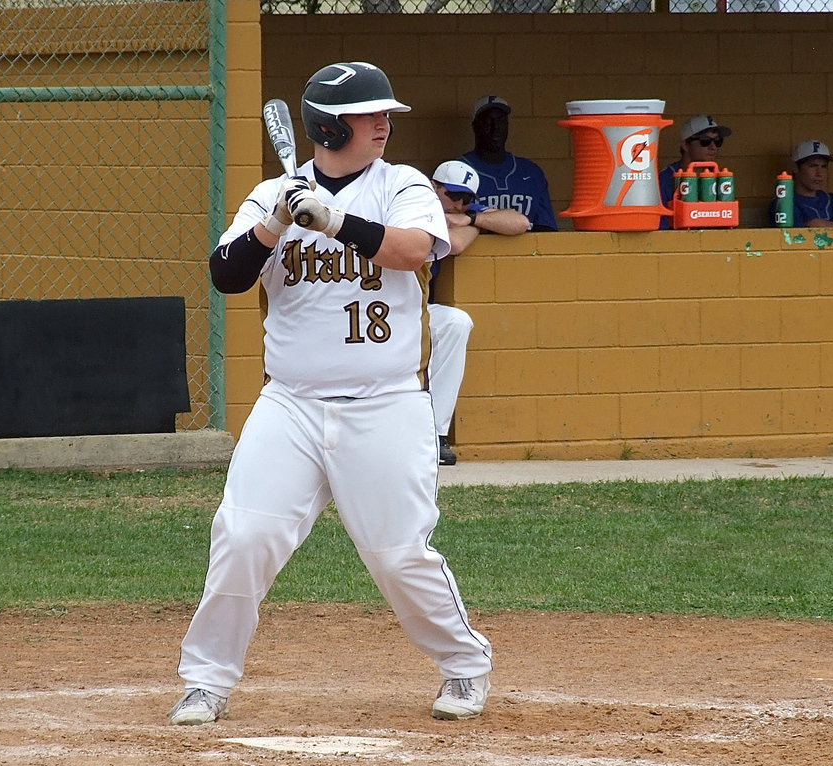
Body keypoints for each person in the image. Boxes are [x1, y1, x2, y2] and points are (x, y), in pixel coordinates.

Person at [171, 61, 492, 726]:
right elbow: (226, 277)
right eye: (371, 115)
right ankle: (205, 681)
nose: (384, 124)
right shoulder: (271, 196)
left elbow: (413, 252)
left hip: (386, 403)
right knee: (245, 535)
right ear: (326, 125)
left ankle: (464, 667)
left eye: (384, 114)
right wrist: (273, 227)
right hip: (290, 405)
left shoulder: (402, 185)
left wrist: (333, 220)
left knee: (398, 554)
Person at [427, 159, 530, 466]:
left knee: (456, 323)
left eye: (466, 199)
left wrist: (472, 219)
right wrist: (471, 223)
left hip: (415, 307)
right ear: (435, 187)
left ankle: (434, 435)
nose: (459, 204)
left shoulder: (464, 212)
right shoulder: (415, 202)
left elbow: (520, 223)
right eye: (453, 195)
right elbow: (455, 244)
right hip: (372, 304)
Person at [457, 95, 557, 232]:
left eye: (501, 121)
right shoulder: (457, 170)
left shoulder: (531, 172)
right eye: (488, 122)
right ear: (475, 126)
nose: (495, 127)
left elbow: (547, 229)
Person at [658, 115, 732, 229]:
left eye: (717, 141)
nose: (713, 147)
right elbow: (661, 228)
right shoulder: (666, 178)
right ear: (686, 145)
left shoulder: (720, 177)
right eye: (705, 141)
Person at [774, 140, 833, 228]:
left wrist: (825, 225)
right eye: (813, 166)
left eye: (824, 167)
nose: (819, 173)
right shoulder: (784, 204)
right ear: (795, 168)